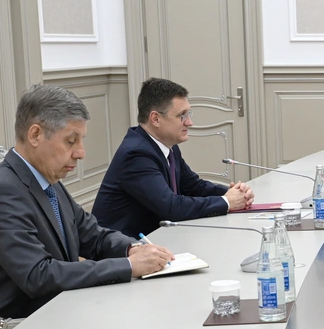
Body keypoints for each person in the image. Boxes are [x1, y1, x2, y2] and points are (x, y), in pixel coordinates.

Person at [0, 85, 174, 329]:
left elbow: (93, 236)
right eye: (71, 141)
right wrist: (129, 266)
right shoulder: (0, 191)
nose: (81, 153)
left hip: (55, 322)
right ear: (35, 135)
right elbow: (38, 275)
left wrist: (132, 249)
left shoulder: (46, 181)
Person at [92, 78, 254, 239]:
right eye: (182, 116)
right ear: (155, 119)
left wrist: (234, 194)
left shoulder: (167, 146)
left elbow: (193, 186)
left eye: (188, 114)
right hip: (121, 247)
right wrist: (227, 202)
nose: (189, 122)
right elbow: (171, 207)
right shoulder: (136, 154)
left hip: (156, 238)